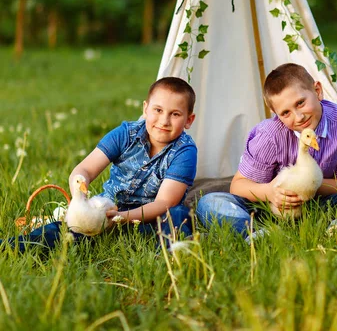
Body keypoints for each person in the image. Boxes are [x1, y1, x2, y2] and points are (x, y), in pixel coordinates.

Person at [2, 77, 198, 252]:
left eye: (175, 114)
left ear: (189, 120)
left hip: (148, 220)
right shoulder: (125, 134)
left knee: (178, 214)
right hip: (104, 214)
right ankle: (11, 246)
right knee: (63, 231)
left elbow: (164, 203)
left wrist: (122, 217)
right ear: (145, 108)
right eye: (158, 110)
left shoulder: (185, 151)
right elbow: (85, 169)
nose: (164, 120)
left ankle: (169, 256)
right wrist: (80, 193)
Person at [196, 63, 337, 242]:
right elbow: (238, 185)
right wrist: (270, 191)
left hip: (318, 203)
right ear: (275, 113)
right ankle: (257, 233)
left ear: (317, 91)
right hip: (267, 206)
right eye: (285, 113)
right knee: (210, 203)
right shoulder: (269, 135)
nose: (298, 117)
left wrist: (306, 185)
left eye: (300, 103)